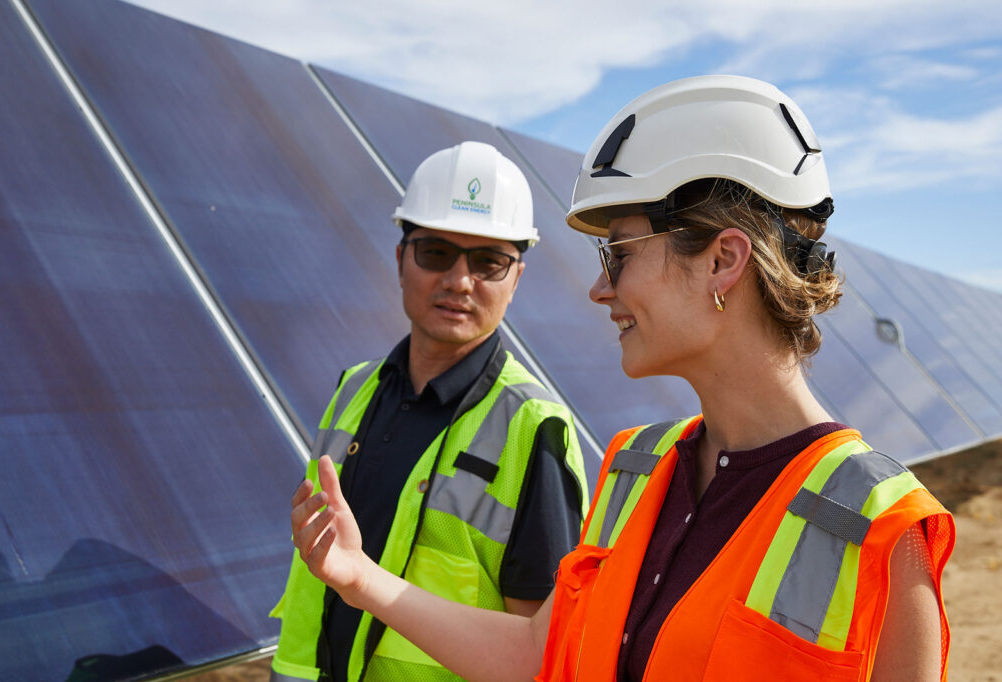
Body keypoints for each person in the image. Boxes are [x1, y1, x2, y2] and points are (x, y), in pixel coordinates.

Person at [289, 76, 955, 681]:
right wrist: (358, 578)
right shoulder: (635, 472)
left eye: (621, 254)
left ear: (724, 260)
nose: (599, 289)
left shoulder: (882, 532)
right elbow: (535, 658)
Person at [270, 141, 589, 682]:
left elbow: (540, 651)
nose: (460, 281)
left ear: (516, 280)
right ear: (400, 260)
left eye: (490, 261)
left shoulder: (535, 431)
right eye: (436, 253)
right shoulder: (354, 388)